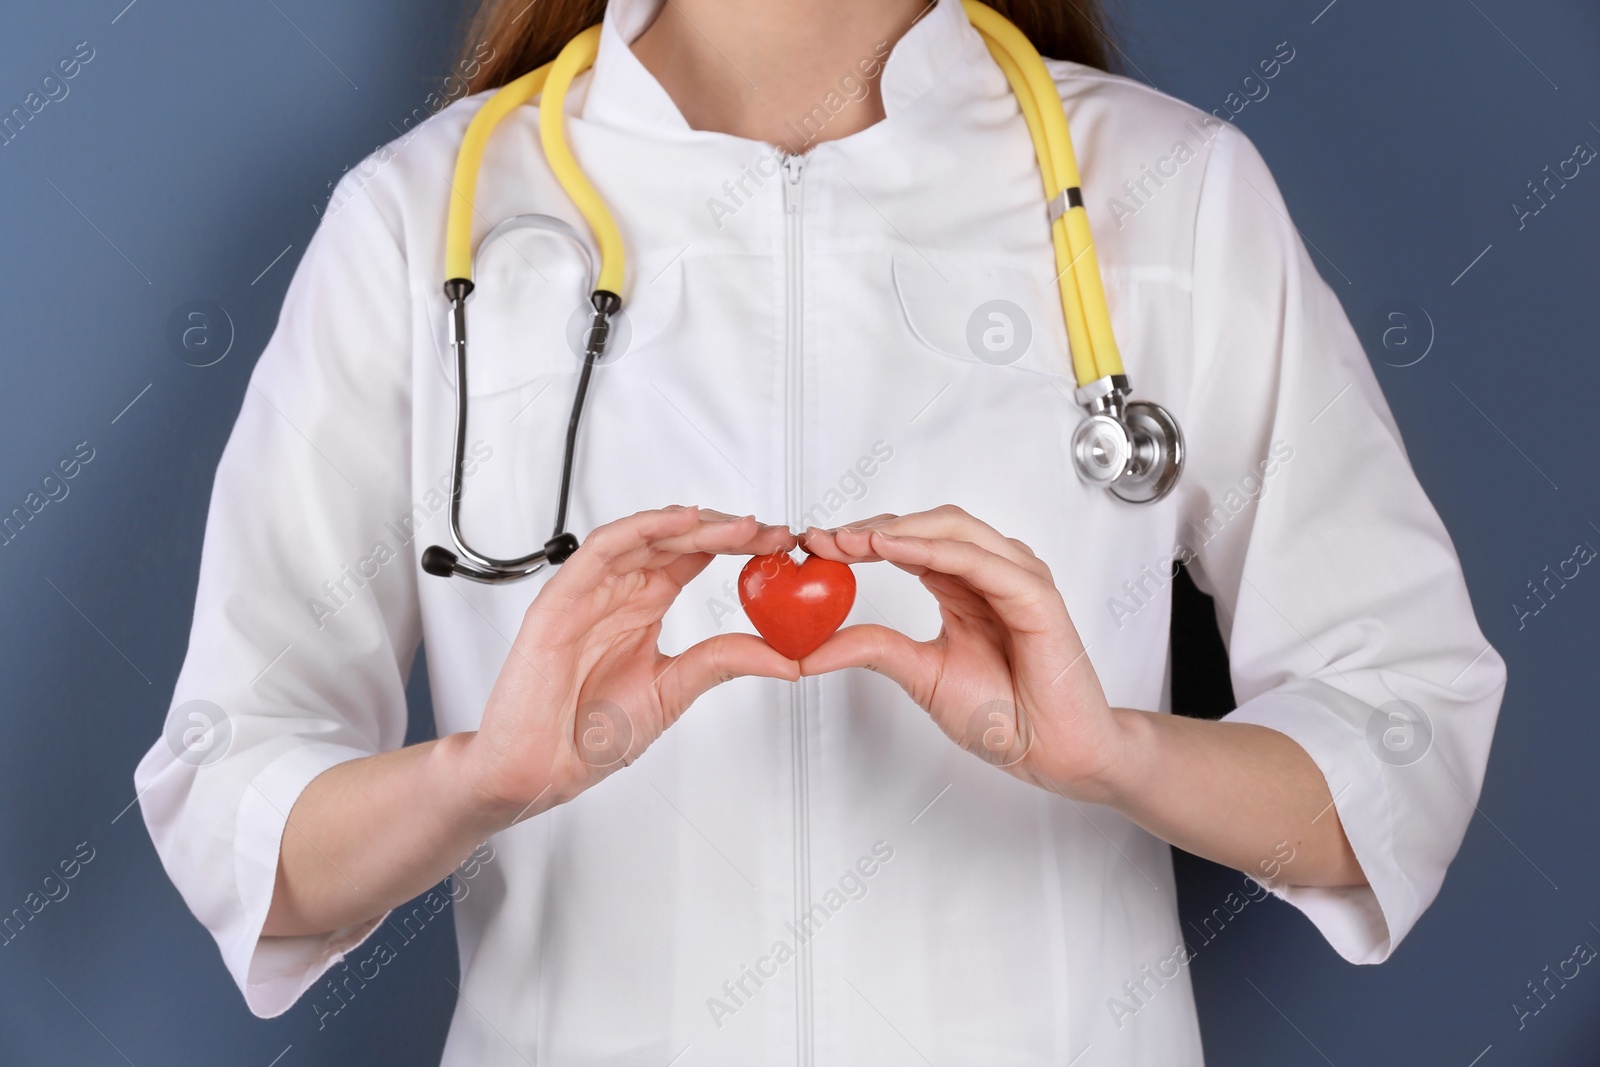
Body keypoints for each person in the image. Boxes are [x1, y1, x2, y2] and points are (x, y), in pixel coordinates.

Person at [134, 0, 1506, 1062]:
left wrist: (1121, 756)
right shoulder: (421, 223)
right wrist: (482, 779)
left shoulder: (1167, 194)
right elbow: (235, 800)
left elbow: (1406, 741)